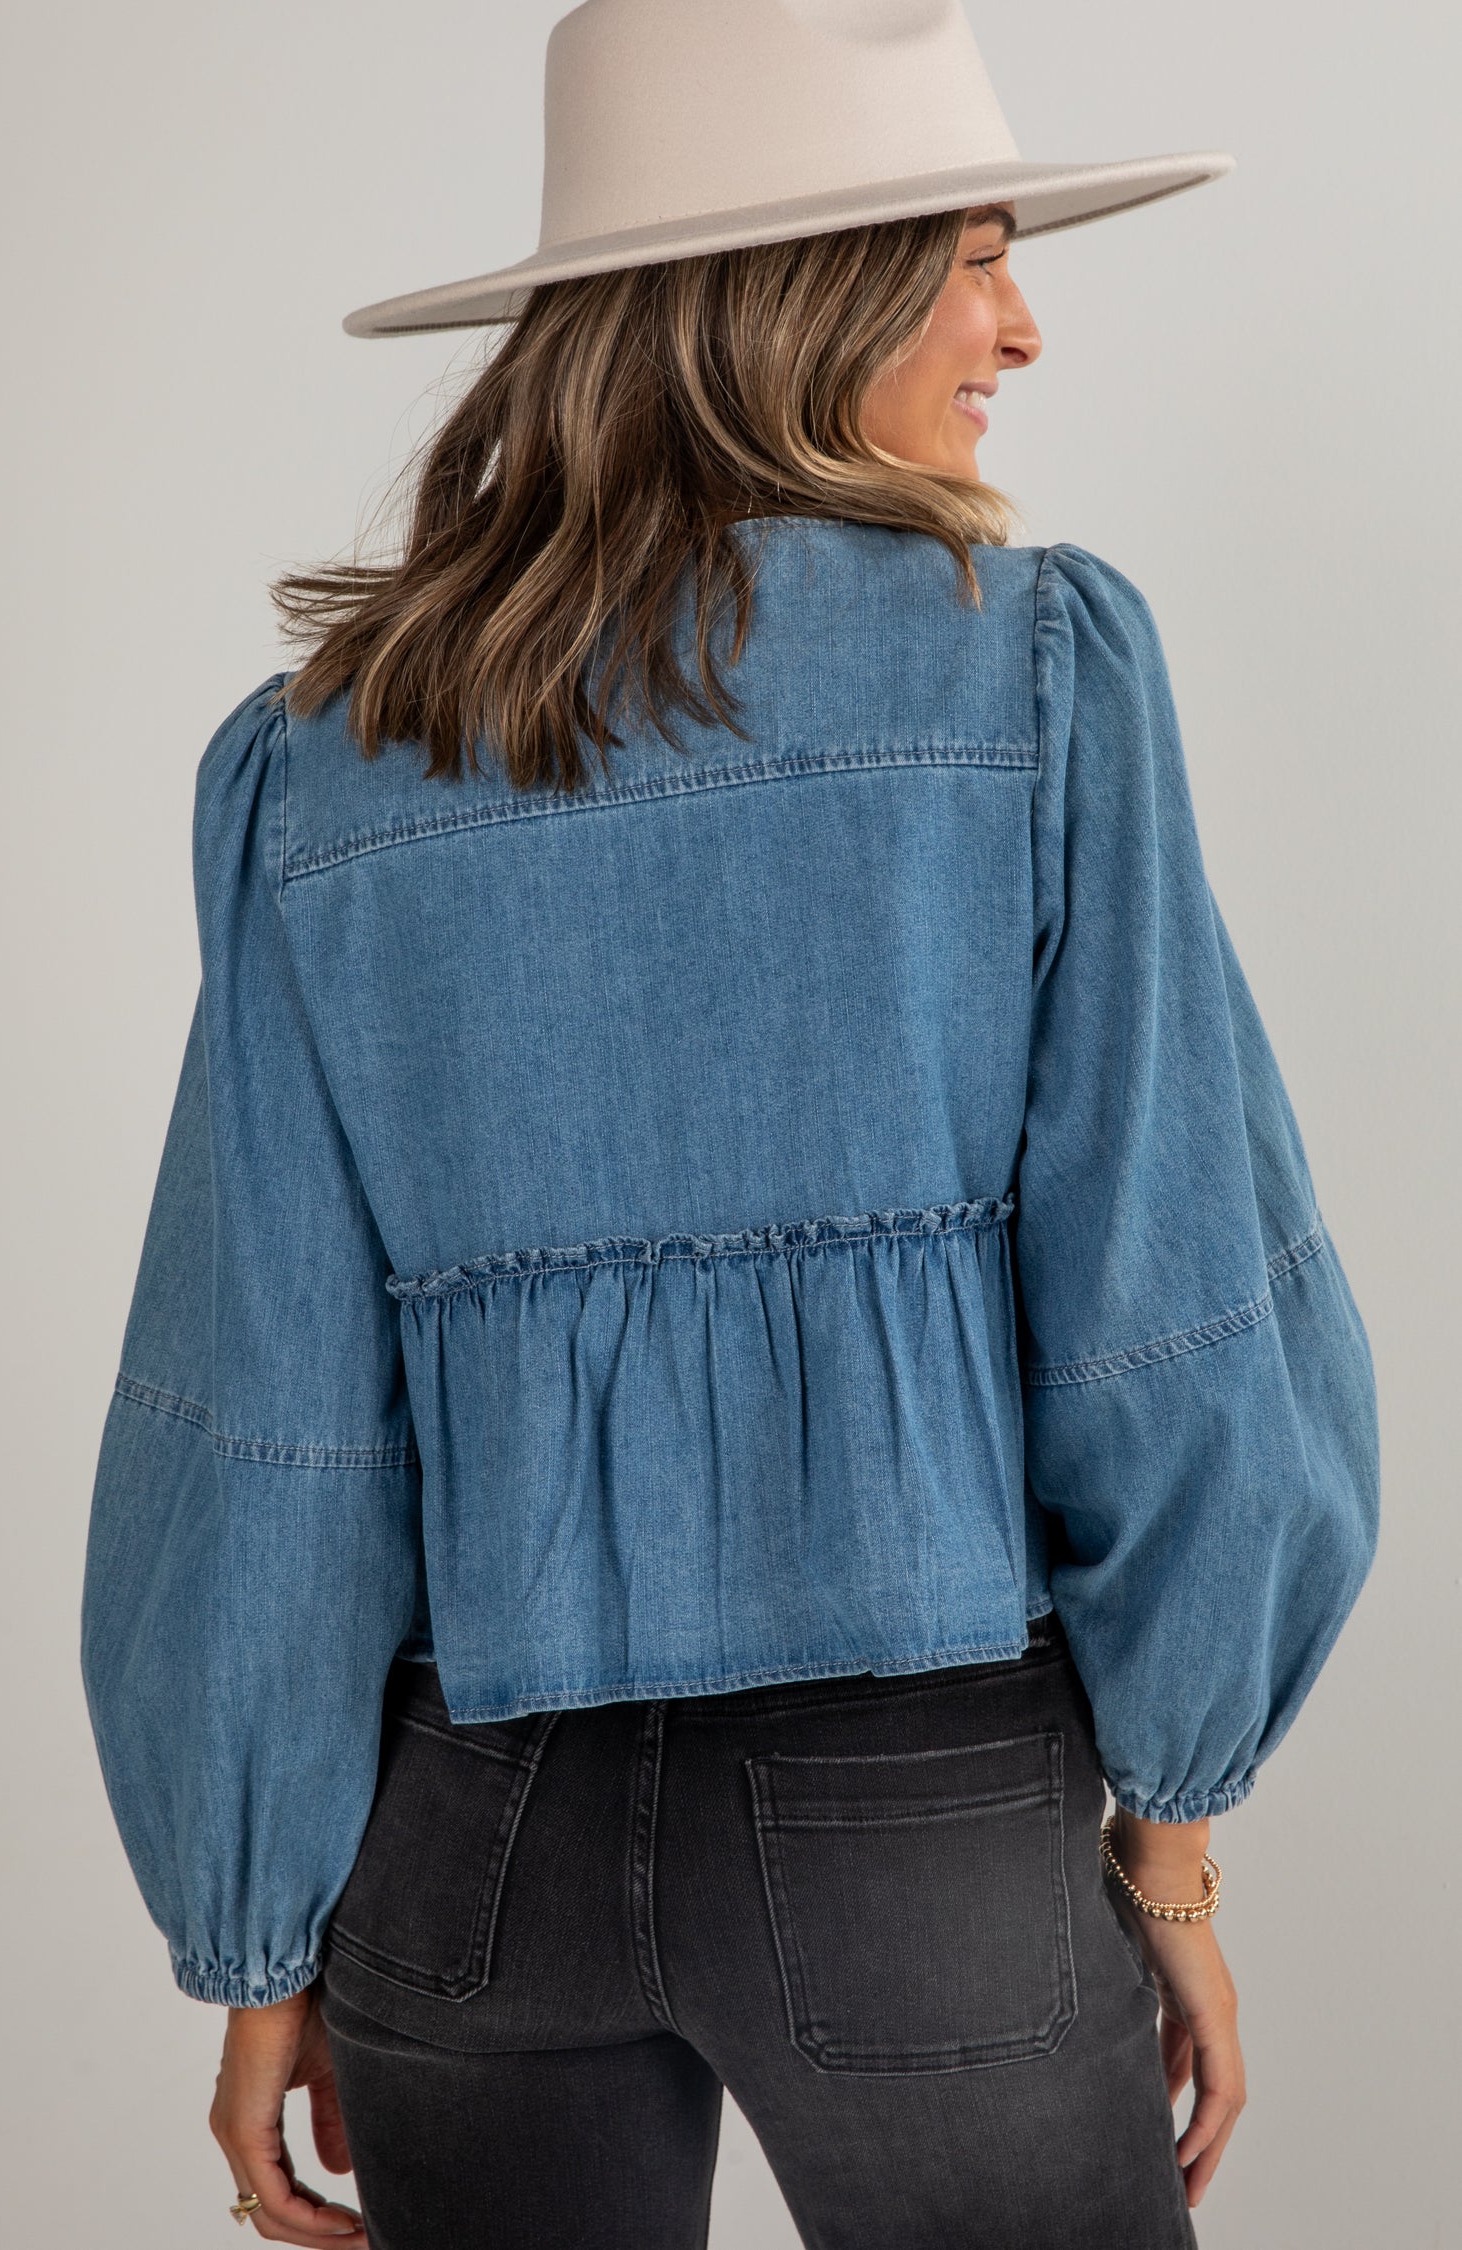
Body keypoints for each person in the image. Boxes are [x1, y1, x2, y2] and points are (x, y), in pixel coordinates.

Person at [80, 4, 1379, 2246]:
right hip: (923, 1808)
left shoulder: (324, 760)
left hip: (461, 1839)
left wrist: (258, 1936)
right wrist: (1173, 1832)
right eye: (970, 258)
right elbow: (1179, 1319)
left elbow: (258, 1406)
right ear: (805, 295)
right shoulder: (1034, 673)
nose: (1025, 325)